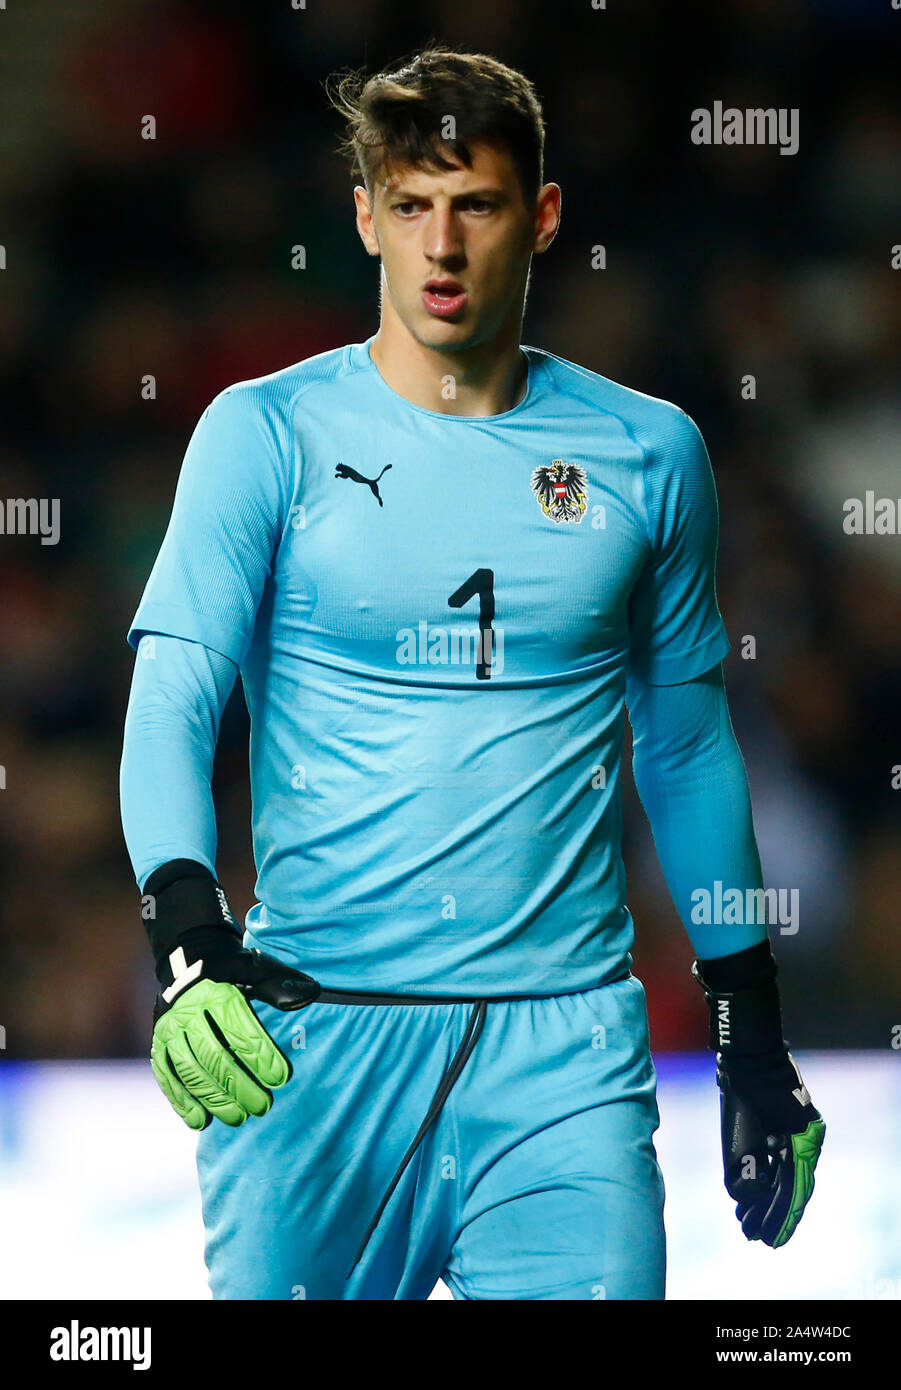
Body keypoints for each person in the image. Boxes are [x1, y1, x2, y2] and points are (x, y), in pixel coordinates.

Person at [119, 44, 824, 1301]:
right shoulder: (263, 433)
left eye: (477, 202)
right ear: (364, 219)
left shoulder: (649, 453)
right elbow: (173, 697)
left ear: (541, 216)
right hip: (311, 1039)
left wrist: (747, 1025)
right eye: (410, 204)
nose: (441, 244)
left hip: (564, 1052)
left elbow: (684, 745)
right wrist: (186, 937)